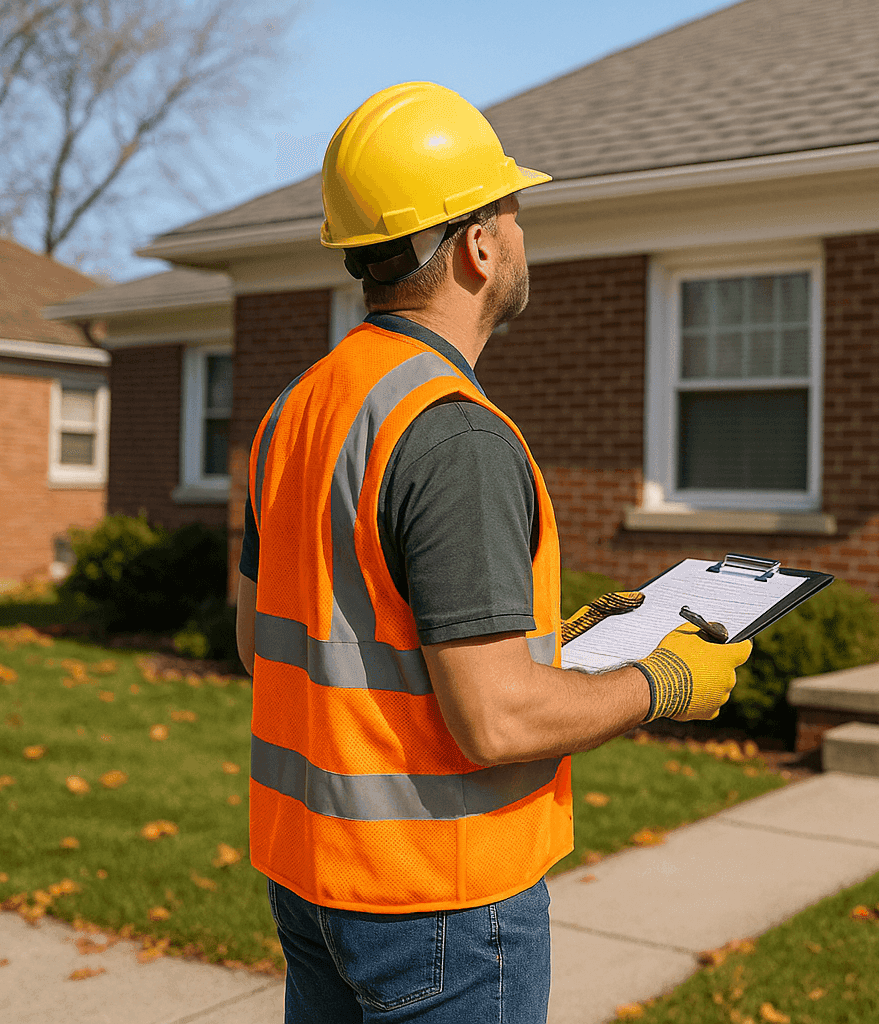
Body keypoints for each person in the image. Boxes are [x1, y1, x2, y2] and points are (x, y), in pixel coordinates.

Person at [233, 81, 752, 1024]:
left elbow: (263, 642)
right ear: (478, 243)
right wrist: (665, 682)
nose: (520, 231)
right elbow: (496, 725)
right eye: (512, 209)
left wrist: (544, 643)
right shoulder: (454, 435)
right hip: (440, 897)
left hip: (314, 881)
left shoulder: (296, 410)